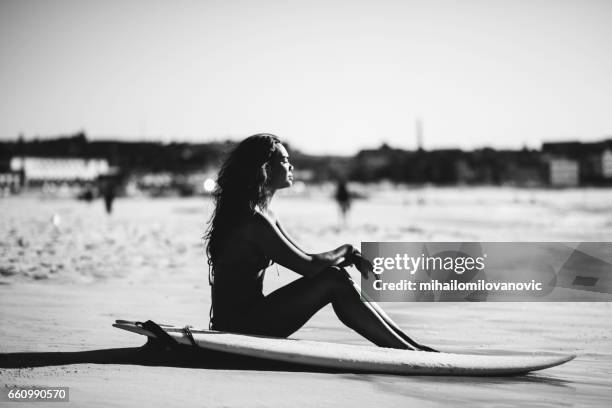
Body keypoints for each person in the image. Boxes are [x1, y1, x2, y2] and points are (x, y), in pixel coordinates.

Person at [204, 134, 436, 351]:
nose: (291, 166)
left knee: (335, 276)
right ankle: (407, 351)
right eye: (284, 160)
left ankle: (411, 347)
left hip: (249, 318)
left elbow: (306, 259)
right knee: (334, 279)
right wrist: (348, 250)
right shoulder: (253, 222)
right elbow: (309, 266)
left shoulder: (265, 216)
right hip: (237, 329)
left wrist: (345, 257)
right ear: (265, 168)